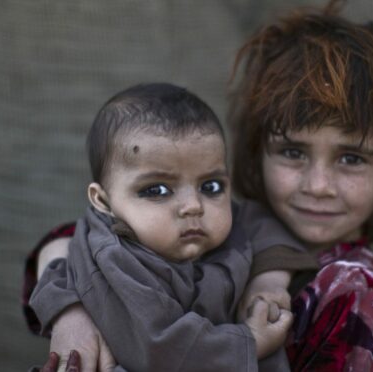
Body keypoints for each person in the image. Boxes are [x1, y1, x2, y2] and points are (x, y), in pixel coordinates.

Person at [25, 3, 373, 371]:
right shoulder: (216, 221)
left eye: (351, 158)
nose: (319, 185)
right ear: (257, 150)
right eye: (293, 152)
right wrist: (71, 311)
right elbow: (78, 236)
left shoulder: (351, 293)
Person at [29, 83, 298, 371]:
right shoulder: (116, 258)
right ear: (103, 202)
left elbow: (264, 223)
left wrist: (269, 280)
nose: (193, 205)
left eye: (211, 185)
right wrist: (250, 342)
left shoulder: (225, 219)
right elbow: (160, 348)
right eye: (156, 190)